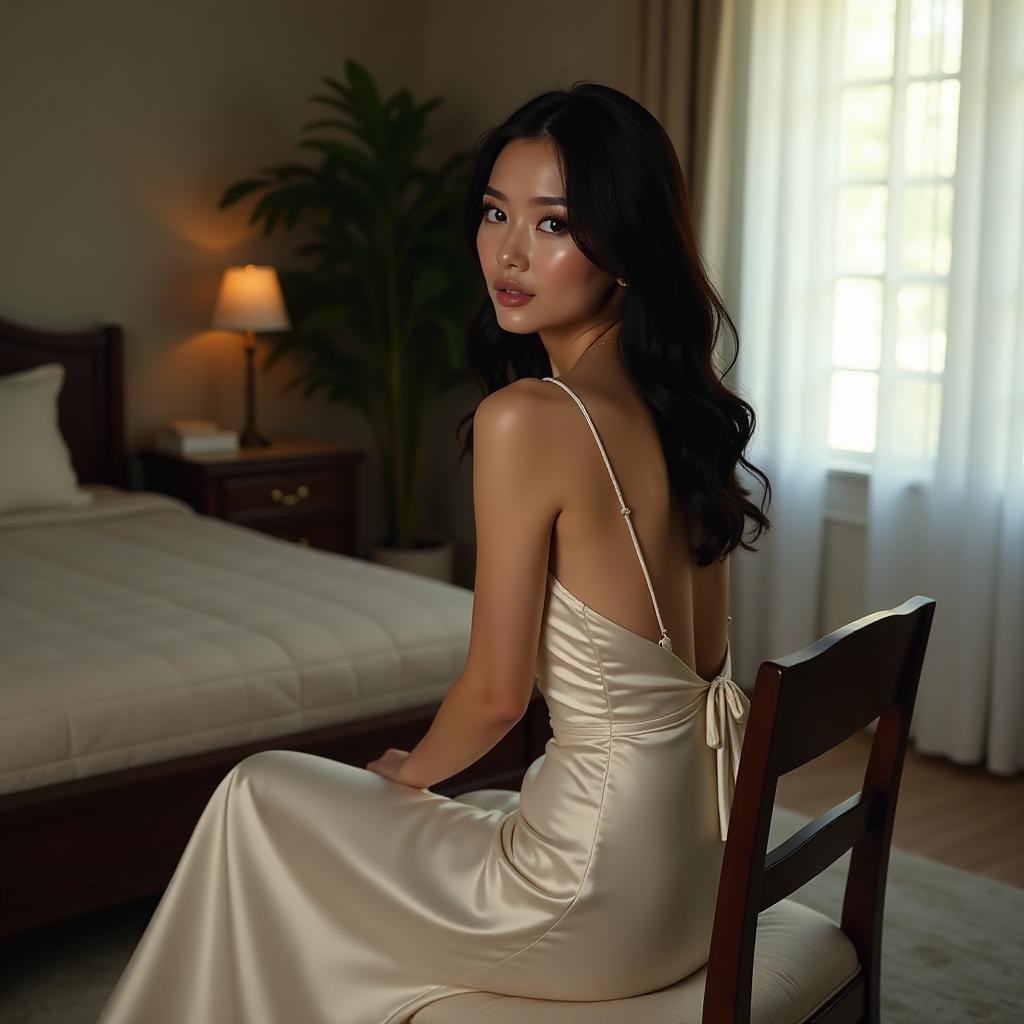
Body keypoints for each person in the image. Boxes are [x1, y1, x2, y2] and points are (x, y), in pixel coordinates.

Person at [96, 80, 772, 1024]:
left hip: (590, 905)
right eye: (497, 212)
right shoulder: (680, 410)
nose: (506, 251)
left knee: (256, 795)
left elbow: (497, 697)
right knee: (342, 840)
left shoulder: (528, 418)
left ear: (625, 243)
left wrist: (406, 772)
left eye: (553, 223)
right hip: (693, 888)